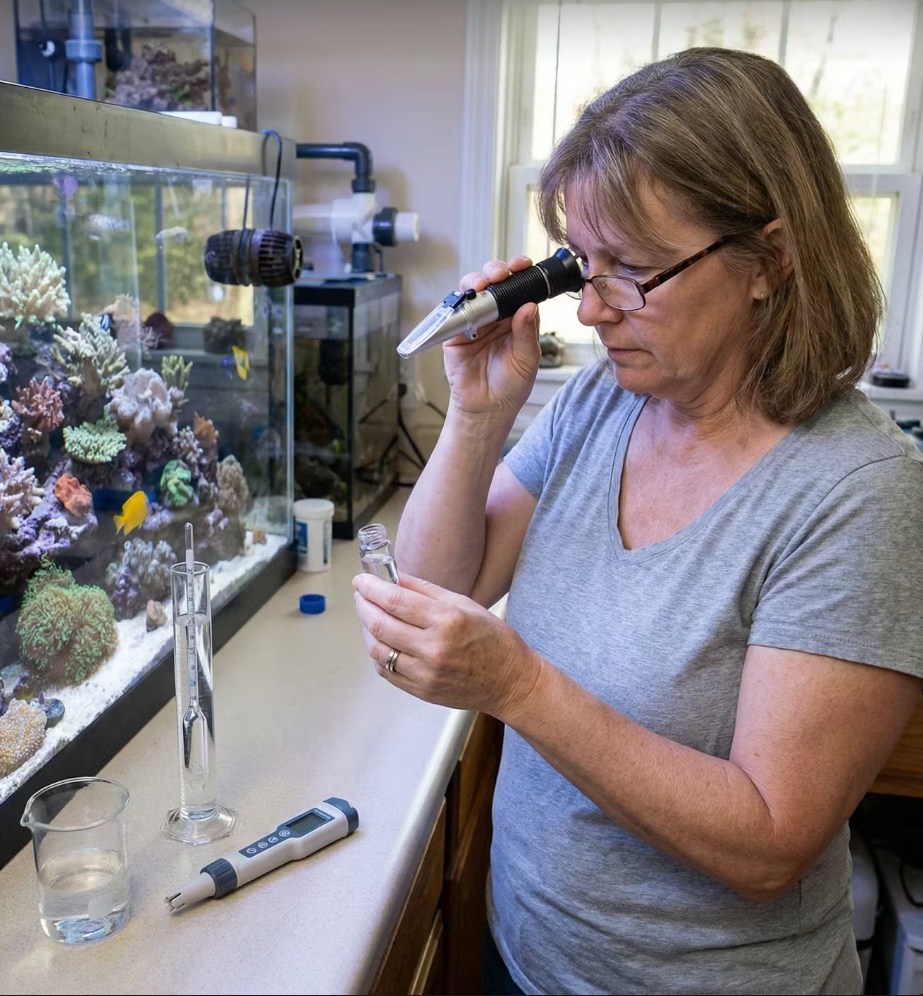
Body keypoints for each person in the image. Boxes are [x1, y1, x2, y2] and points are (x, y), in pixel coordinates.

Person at [352, 46, 923, 995]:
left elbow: (771, 841)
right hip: (528, 947)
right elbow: (443, 580)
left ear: (768, 261)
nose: (591, 308)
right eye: (584, 263)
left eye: (634, 271)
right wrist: (479, 412)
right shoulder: (606, 404)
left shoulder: (857, 492)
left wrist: (520, 685)